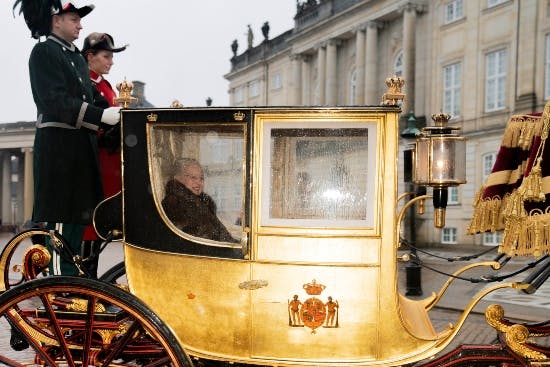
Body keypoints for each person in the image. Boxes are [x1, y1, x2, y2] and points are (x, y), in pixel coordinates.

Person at [13, 0, 121, 276]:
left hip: (80, 151)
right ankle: (61, 290)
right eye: (74, 19)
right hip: (59, 151)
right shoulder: (44, 52)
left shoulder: (73, 55)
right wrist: (100, 116)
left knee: (77, 220)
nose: (80, 25)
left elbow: (93, 98)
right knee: (61, 225)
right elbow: (55, 102)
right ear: (56, 20)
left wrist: (115, 115)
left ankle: (73, 287)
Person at [80, 32, 127, 277]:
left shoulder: (105, 85)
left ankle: (92, 283)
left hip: (109, 164)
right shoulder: (84, 82)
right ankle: (83, 285)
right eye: (106, 56)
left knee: (99, 225)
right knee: (91, 225)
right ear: (90, 56)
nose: (111, 62)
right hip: (95, 162)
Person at [161, 158, 238, 243]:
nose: (198, 182)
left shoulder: (202, 203)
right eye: (193, 178)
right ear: (177, 178)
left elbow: (220, 234)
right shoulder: (174, 204)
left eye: (201, 178)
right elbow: (199, 240)